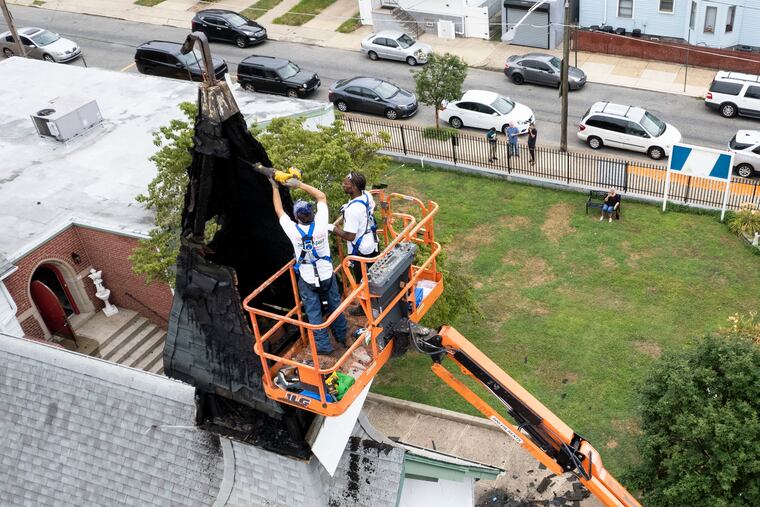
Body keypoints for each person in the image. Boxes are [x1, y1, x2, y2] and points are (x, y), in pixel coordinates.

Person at [270, 178, 347, 355]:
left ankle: (324, 347)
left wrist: (275, 186)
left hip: (307, 279)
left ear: (296, 217)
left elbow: (279, 210)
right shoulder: (321, 224)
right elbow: (321, 196)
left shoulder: (293, 231)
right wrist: (300, 185)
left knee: (314, 314)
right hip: (326, 275)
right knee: (335, 305)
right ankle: (342, 336)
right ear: (312, 213)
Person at [330, 172, 378, 285]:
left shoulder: (353, 211)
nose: (343, 185)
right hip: (371, 241)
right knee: (374, 273)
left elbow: (350, 236)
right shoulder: (366, 195)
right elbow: (371, 208)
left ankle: (364, 301)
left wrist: (332, 228)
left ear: (354, 187)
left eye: (346, 183)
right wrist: (347, 206)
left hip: (360, 250)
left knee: (361, 281)